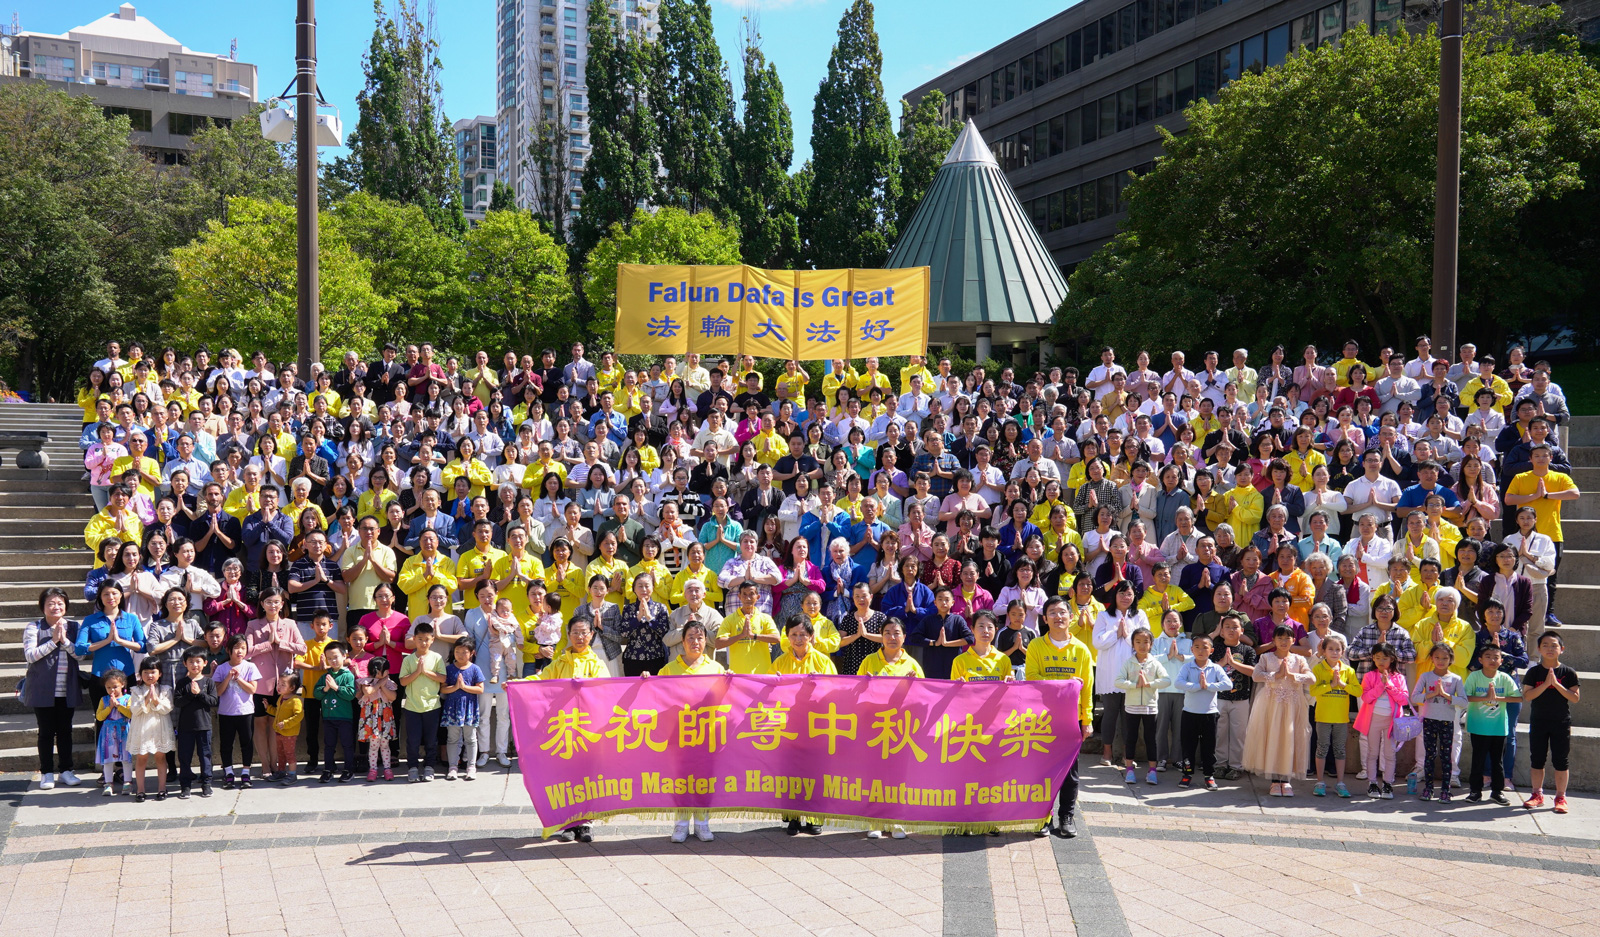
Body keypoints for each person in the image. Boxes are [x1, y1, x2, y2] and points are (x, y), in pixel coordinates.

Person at [1024, 597, 1096, 838]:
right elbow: (1032, 680)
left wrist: (1087, 720)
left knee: (1069, 772)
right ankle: (1042, 817)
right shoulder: (1036, 646)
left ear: (1071, 617)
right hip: (1041, 719)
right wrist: (1065, 685)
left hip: (1071, 720)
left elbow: (1087, 689)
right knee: (1041, 770)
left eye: (1062, 612)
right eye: (1052, 612)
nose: (1058, 616)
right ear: (1044, 619)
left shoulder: (1081, 650)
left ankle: (1066, 816)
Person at [661, 620, 723, 844]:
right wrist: (647, 680)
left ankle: (702, 822)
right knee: (680, 778)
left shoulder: (716, 668)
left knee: (704, 778)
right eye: (690, 638)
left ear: (706, 641)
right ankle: (681, 823)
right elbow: (656, 696)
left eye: (699, 638)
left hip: (707, 734)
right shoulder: (669, 668)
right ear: (682, 641)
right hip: (679, 733)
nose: (695, 642)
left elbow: (727, 699)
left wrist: (732, 681)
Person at [1242, 624, 1315, 796]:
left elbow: (1311, 678)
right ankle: (1275, 781)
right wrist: (1276, 676)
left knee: (1288, 738)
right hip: (1271, 704)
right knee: (1273, 737)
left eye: (1287, 638)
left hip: (1293, 705)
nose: (1283, 641)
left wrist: (1292, 676)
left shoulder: (1299, 660)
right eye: (1280, 638)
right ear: (1273, 640)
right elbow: (1256, 675)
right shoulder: (1266, 658)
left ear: (1293, 640)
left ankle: (1286, 779)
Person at [24, 588, 84, 791]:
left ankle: (66, 770)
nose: (56, 607)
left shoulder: (75, 627)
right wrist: (53, 641)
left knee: (66, 731)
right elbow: (30, 656)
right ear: (43, 606)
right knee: (46, 732)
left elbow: (80, 655)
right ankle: (47, 773)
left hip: (67, 688)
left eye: (60, 603)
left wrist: (65, 640)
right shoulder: (34, 627)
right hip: (42, 688)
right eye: (51, 603)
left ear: (66, 605)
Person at [1521, 632, 1580, 814]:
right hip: (1539, 721)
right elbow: (1528, 696)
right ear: (1539, 649)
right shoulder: (1534, 672)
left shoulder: (1568, 672)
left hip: (1561, 722)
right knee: (1537, 759)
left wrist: (1557, 684)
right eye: (1545, 645)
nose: (1549, 648)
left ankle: (1560, 797)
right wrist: (1545, 684)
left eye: (1554, 645)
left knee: (1561, 760)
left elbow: (1575, 698)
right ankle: (1536, 794)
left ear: (1561, 649)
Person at [1462, 645, 1520, 804]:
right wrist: (1485, 697)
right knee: (1478, 760)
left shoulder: (1505, 678)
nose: (1492, 660)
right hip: (1478, 727)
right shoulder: (1474, 676)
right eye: (1488, 656)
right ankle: (1475, 791)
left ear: (1501, 660)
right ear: (1480, 660)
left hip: (1499, 728)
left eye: (1496, 657)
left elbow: (1518, 698)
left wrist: (1498, 699)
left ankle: (1497, 791)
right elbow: (1465, 697)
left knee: (1497, 761)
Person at [1410, 642, 1466, 803]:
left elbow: (1464, 701)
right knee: (1429, 755)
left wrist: (1446, 695)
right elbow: (1414, 697)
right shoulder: (1426, 677)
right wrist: (1432, 694)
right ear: (1432, 659)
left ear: (1451, 659)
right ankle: (1428, 789)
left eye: (1445, 658)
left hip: (1447, 722)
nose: (1441, 661)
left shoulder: (1455, 679)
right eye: (1437, 657)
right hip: (1429, 720)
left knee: (1446, 756)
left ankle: (1445, 790)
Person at [1173, 633, 1230, 790]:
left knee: (1209, 747)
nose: (1200, 650)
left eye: (1205, 647)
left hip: (1209, 714)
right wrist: (1198, 686)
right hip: (1190, 713)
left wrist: (1209, 686)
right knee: (1188, 746)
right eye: (1197, 647)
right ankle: (1187, 775)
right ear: (1191, 650)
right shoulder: (1187, 666)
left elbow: (1227, 685)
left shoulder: (1215, 668)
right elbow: (1178, 683)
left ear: (1211, 650)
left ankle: (1209, 776)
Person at [1353, 642, 1408, 799]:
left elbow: (1404, 700)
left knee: (1390, 754)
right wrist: (1380, 686)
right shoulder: (1370, 676)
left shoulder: (1399, 678)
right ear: (1373, 659)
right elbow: (1366, 697)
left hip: (1392, 721)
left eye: (1384, 658)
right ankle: (1372, 783)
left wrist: (1388, 685)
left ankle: (1388, 784)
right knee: (1372, 752)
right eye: (1377, 658)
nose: (1381, 661)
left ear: (1391, 659)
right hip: (1373, 720)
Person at [1115, 626, 1167, 786]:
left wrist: (1149, 684)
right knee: (1131, 738)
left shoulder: (1155, 663)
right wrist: (1134, 685)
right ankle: (1129, 769)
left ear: (1151, 644)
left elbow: (1166, 680)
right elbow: (1118, 681)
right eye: (1138, 641)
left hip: (1150, 707)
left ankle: (1152, 771)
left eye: (1146, 642)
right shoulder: (1128, 663)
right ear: (1133, 644)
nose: (1142, 645)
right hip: (1132, 707)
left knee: (1151, 739)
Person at [1307, 633, 1355, 798]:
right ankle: (1320, 782)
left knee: (1340, 750)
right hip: (1323, 717)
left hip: (1341, 718)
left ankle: (1340, 783)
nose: (1334, 652)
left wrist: (1342, 685)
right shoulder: (1318, 669)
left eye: (1338, 649)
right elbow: (1313, 690)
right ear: (1324, 651)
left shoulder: (1348, 670)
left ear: (1342, 651)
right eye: (1331, 649)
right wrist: (1331, 685)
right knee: (1322, 748)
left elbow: (1358, 690)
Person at [399, 621, 447, 782]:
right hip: (412, 707)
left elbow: (442, 678)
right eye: (420, 639)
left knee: (431, 740)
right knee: (412, 740)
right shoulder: (408, 660)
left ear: (432, 639)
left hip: (432, 706)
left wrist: (425, 671)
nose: (423, 642)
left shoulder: (436, 658)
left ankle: (429, 767)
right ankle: (412, 767)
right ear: (414, 639)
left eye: (427, 639)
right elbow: (403, 682)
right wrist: (417, 672)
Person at [211, 635, 260, 789]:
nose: (240, 651)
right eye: (237, 648)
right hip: (226, 713)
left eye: (243, 648)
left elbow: (252, 689)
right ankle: (229, 772)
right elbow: (217, 692)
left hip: (245, 712)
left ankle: (246, 772)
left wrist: (238, 679)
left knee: (246, 743)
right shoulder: (221, 668)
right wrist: (228, 677)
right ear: (229, 650)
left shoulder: (250, 667)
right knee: (226, 744)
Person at [173, 646, 217, 799]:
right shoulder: (181, 683)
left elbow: (213, 701)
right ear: (185, 663)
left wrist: (200, 694)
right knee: (184, 756)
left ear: (205, 663)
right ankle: (185, 786)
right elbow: (178, 702)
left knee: (205, 755)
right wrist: (191, 695)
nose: (194, 665)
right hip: (185, 727)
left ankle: (206, 783)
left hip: (204, 726)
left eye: (198, 661)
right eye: (191, 662)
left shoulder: (208, 682)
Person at [441, 638, 485, 780]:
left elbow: (480, 689)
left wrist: (464, 687)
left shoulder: (475, 669)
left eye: (464, 652)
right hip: (453, 709)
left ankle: (471, 767)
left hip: (469, 709)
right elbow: (443, 689)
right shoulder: (449, 669)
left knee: (471, 738)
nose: (460, 655)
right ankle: (452, 766)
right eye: (457, 651)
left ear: (472, 653)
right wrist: (455, 687)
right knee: (452, 738)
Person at [357, 655, 399, 781]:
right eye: (384, 670)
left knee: (385, 744)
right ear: (376, 671)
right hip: (372, 717)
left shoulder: (390, 683)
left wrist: (383, 685)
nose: (387, 672)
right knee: (374, 745)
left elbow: (393, 697)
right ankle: (373, 769)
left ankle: (387, 769)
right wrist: (380, 683)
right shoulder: (366, 682)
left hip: (385, 716)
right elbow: (368, 692)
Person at [93, 668, 133, 796]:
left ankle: (127, 782)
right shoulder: (103, 700)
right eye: (108, 687)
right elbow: (99, 717)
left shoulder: (128, 698)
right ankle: (108, 783)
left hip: (124, 731)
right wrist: (109, 707)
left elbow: (130, 714)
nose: (112, 690)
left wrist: (118, 706)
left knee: (126, 758)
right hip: (108, 733)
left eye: (115, 687)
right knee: (108, 759)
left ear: (123, 685)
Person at [263, 672, 304, 784]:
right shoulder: (281, 698)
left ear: (292, 687)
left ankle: (292, 774)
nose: (279, 687)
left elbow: (299, 716)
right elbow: (278, 713)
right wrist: (268, 708)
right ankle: (281, 771)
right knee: (280, 753)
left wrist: (285, 724)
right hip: (279, 732)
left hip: (289, 733)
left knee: (289, 753)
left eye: (283, 684)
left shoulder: (296, 700)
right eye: (279, 684)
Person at [949, 611, 1011, 682]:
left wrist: (1011, 682)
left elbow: (1008, 691)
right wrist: (957, 685)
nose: (985, 631)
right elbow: (954, 692)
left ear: (996, 630)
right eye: (981, 626)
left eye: (990, 627)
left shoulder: (1004, 659)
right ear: (972, 629)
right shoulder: (959, 661)